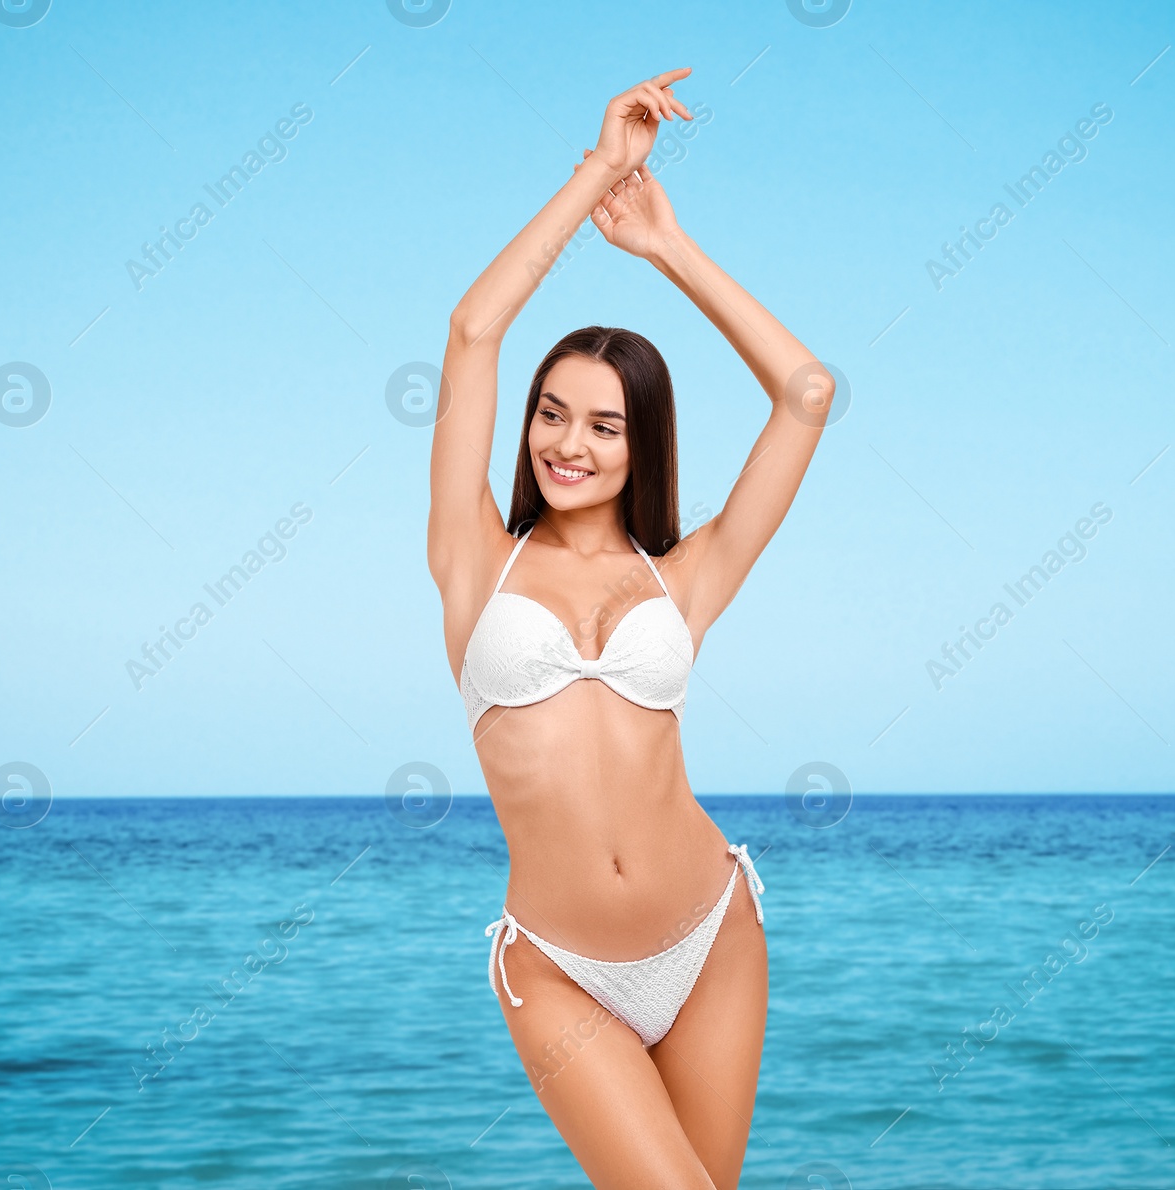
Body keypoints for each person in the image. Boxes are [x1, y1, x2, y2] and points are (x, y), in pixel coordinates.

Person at [427, 67, 835, 1188]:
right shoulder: (473, 559)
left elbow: (804, 393)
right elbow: (472, 328)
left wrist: (668, 248)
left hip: (711, 933)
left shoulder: (683, 578)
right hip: (556, 966)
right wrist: (598, 172)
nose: (570, 442)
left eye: (604, 424)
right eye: (552, 413)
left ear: (638, 443)